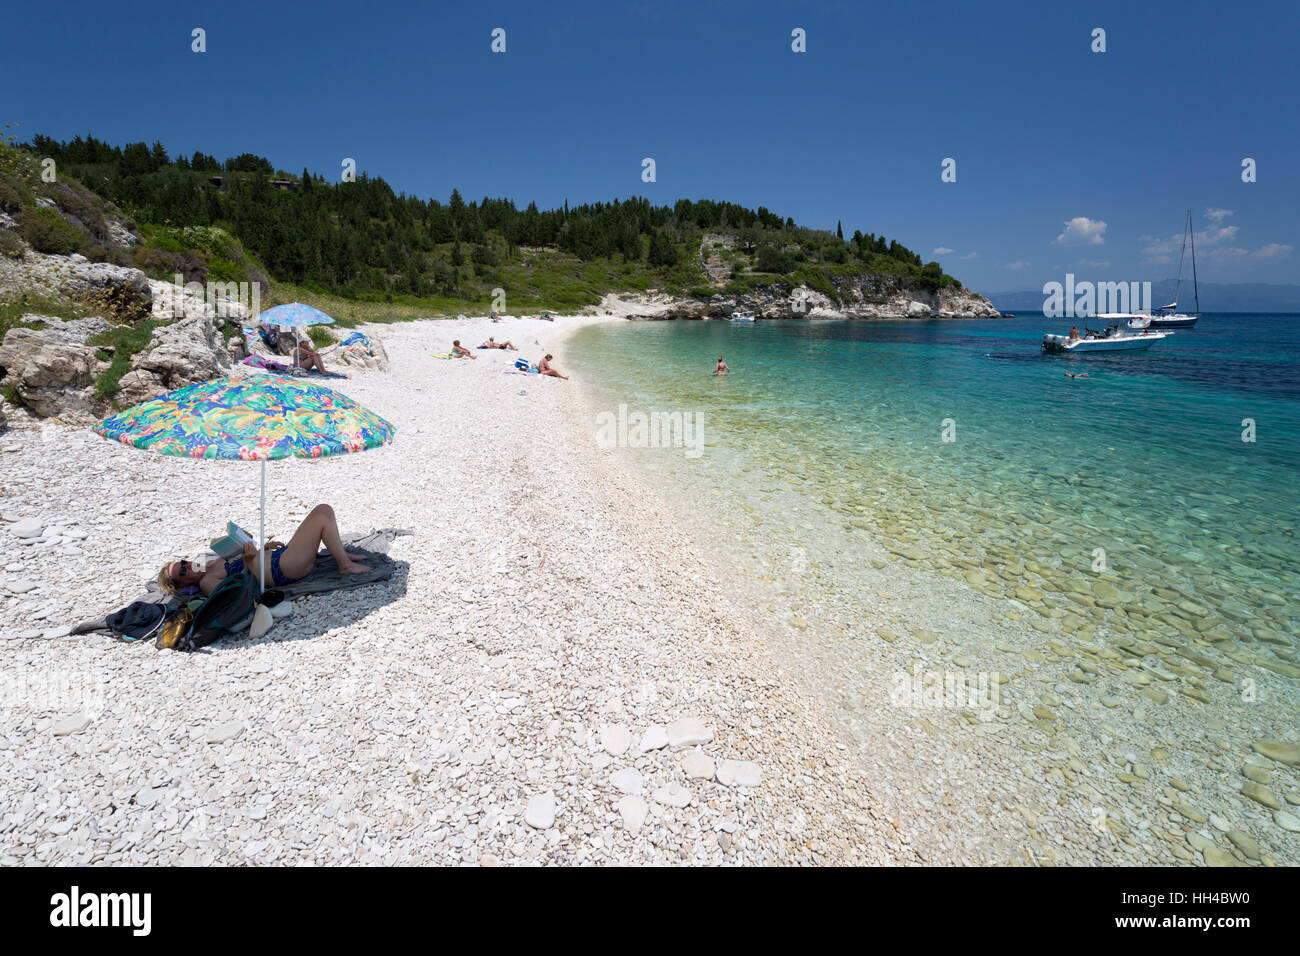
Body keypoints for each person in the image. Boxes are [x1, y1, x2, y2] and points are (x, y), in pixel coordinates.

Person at [158, 504, 369, 596]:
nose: (187, 566)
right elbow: (241, 594)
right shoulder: (206, 583)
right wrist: (250, 561)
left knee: (323, 510)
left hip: (279, 557)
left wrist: (262, 549)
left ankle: (339, 552)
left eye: (184, 563)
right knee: (322, 516)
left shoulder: (211, 564)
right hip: (283, 569)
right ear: (183, 584)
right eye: (183, 572)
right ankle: (344, 565)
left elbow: (245, 561)